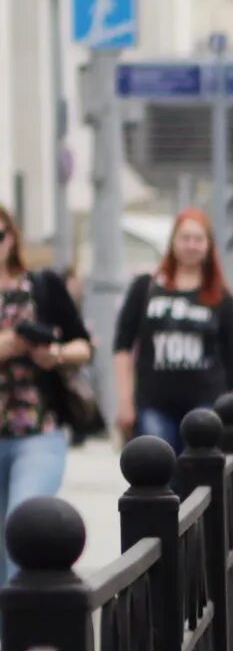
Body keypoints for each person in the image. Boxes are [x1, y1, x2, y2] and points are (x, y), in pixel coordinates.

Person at [0, 205, 97, 580]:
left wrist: (52, 353)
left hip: (39, 431)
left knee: (24, 526)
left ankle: (25, 633)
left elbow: (84, 347)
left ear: (13, 237)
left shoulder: (42, 286)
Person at [112, 208, 233, 452]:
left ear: (208, 246)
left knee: (197, 475)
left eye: (198, 239)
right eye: (185, 238)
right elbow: (123, 346)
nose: (191, 245)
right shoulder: (146, 288)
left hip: (205, 403)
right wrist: (124, 401)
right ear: (173, 242)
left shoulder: (221, 298)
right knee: (157, 467)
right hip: (154, 403)